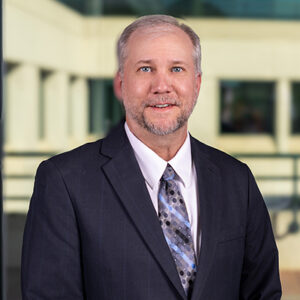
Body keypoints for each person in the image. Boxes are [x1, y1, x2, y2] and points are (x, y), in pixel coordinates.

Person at [21, 15, 281, 300]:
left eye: (177, 69)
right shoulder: (64, 182)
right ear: (121, 83)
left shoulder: (236, 180)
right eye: (145, 69)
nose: (162, 85)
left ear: (197, 83)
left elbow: (263, 293)